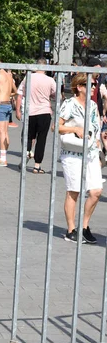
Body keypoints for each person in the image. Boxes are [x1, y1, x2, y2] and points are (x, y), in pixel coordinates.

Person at [58, 73, 102, 244]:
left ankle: (84, 227)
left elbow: (95, 127)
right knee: (74, 191)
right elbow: (58, 126)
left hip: (91, 153)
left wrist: (98, 148)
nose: (93, 88)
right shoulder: (69, 104)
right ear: (80, 86)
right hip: (73, 154)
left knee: (96, 191)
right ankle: (71, 230)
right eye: (90, 84)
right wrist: (75, 130)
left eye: (94, 85)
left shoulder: (92, 105)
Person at [15, 61, 56, 173]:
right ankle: (37, 165)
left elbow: (20, 94)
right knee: (41, 139)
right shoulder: (50, 80)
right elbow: (54, 94)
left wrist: (18, 110)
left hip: (30, 112)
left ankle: (27, 152)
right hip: (44, 112)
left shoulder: (28, 78)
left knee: (28, 136)